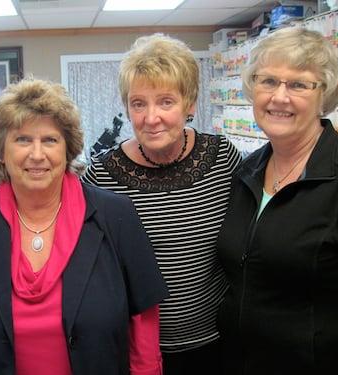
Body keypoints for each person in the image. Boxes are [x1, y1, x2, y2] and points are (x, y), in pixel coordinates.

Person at [0, 78, 168, 375]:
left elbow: (143, 321)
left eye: (50, 140)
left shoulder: (116, 215)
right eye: (22, 139)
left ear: (68, 150)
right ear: (2, 152)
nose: (36, 154)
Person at [82, 33, 241, 374]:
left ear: (190, 104)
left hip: (217, 343)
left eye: (166, 102)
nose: (151, 117)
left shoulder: (223, 159)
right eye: (139, 103)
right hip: (136, 352)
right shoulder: (102, 175)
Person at [216, 27, 338, 374]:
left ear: (325, 95)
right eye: (268, 81)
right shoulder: (247, 170)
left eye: (299, 85)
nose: (279, 97)